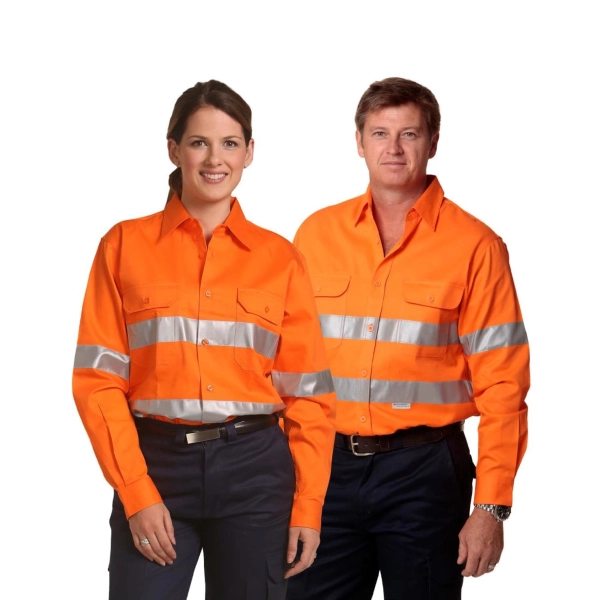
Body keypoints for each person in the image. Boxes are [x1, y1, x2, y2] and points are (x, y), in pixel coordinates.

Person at [72, 79, 336, 600]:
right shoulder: (122, 246)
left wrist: (308, 506)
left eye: (230, 143)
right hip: (155, 466)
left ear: (249, 152)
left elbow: (308, 396)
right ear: (174, 150)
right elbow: (97, 382)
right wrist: (136, 491)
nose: (215, 159)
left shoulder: (281, 259)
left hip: (256, 475)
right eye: (199, 142)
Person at [285, 77, 530, 600]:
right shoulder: (315, 235)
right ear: (359, 142)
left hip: (425, 473)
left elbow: (504, 386)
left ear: (433, 142)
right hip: (323, 472)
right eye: (380, 133)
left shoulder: (476, 246)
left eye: (409, 134)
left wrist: (490, 507)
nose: (393, 148)